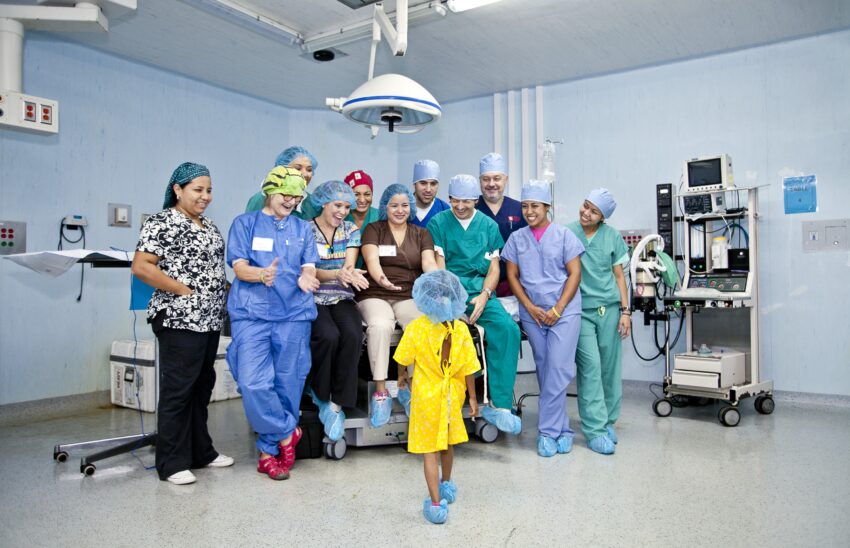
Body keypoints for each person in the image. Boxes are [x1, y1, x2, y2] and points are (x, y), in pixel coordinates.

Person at [131, 162, 233, 485]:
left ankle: (201, 451)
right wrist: (181, 290)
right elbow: (141, 266)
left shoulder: (209, 226)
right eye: (198, 190)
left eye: (209, 190)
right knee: (178, 389)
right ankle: (172, 462)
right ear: (178, 190)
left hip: (209, 318)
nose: (205, 196)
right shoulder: (162, 223)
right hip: (178, 317)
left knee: (202, 386)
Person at [226, 167, 321, 481]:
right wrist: (261, 274)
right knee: (253, 382)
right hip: (252, 313)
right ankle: (285, 432)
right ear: (269, 191)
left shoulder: (303, 229)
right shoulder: (245, 224)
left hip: (293, 314)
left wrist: (308, 278)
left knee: (288, 383)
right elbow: (239, 268)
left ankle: (269, 452)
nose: (292, 201)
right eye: (286, 195)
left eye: (297, 196)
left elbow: (309, 267)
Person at [426, 174, 521, 435]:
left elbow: (493, 268)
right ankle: (448, 405)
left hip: (480, 292)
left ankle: (500, 406)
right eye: (454, 201)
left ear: (475, 200)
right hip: (449, 292)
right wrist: (450, 298)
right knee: (451, 337)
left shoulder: (489, 226)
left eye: (465, 202)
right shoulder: (438, 223)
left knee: (508, 329)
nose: (459, 207)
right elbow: (439, 264)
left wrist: (485, 294)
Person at [502, 181, 584, 458]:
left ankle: (547, 432)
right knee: (545, 367)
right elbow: (513, 276)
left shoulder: (564, 236)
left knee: (559, 369)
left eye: (534, 206)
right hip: (532, 313)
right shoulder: (516, 239)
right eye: (524, 206)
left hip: (564, 311)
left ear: (547, 206)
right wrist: (529, 306)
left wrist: (558, 308)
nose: (529, 211)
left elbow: (575, 274)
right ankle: (562, 429)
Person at [393, 270, 480, 525]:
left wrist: (401, 377)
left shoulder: (417, 328)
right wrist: (473, 399)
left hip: (426, 398)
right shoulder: (462, 330)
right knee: (447, 444)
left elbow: (402, 358)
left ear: (425, 299)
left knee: (429, 452)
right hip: (452, 396)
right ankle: (446, 484)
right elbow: (469, 368)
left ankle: (434, 504)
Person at [357, 183, 438, 427]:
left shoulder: (421, 234)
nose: (400, 210)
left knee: (419, 324)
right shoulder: (374, 229)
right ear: (385, 207)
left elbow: (428, 263)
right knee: (381, 325)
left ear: (411, 207)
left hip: (408, 295)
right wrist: (381, 278)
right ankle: (381, 391)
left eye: (404, 205)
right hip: (375, 292)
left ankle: (409, 387)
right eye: (394, 205)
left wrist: (437, 280)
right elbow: (371, 260)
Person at [567, 188, 631, 455]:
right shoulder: (568, 232)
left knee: (609, 367)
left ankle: (607, 421)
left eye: (594, 211)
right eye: (585, 206)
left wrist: (626, 311)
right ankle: (594, 429)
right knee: (591, 366)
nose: (586, 213)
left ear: (603, 218)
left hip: (610, 308)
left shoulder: (612, 237)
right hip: (580, 309)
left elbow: (619, 277)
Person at [307, 180, 369, 441]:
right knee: (328, 335)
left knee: (353, 334)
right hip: (312, 295)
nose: (343, 211)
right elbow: (310, 270)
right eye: (338, 205)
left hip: (342, 294)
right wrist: (338, 274)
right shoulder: (306, 230)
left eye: (346, 206)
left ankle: (338, 403)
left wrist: (347, 274)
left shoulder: (351, 230)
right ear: (323, 203)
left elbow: (349, 265)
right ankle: (320, 395)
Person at [476, 152, 527, 297]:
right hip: (478, 283)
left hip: (512, 284)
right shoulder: (470, 209)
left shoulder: (519, 209)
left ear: (506, 179)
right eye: (486, 179)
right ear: (480, 181)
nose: (491, 184)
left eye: (497, 178)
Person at [245, 146, 321, 220]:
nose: (304, 174)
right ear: (281, 169)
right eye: (298, 168)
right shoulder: (261, 199)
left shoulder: (313, 204)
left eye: (309, 170)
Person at [344, 169, 380, 269]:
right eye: (356, 194)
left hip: (374, 277)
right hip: (344, 276)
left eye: (367, 194)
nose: (362, 199)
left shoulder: (381, 217)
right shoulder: (340, 218)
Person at [410, 159, 450, 228]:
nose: (428, 189)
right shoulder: (402, 209)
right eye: (423, 183)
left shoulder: (444, 210)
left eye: (433, 184)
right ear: (414, 184)